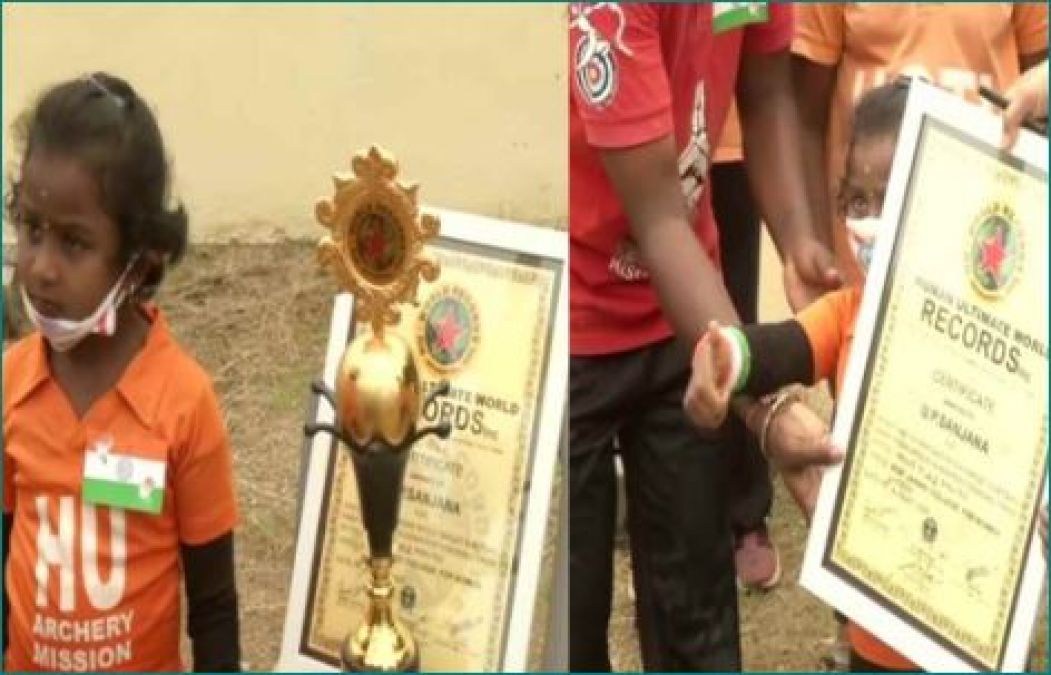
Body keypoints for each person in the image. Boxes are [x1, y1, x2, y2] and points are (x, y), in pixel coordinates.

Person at [686, 79, 1047, 672]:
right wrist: (727, 352)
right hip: (873, 632)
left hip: (975, 629)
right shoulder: (851, 312)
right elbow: (781, 348)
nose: (870, 223)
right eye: (857, 202)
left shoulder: (1011, 334)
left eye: (894, 197)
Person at [569, 3, 841, 670]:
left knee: (697, 618)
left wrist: (797, 236)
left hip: (683, 322)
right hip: (571, 326)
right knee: (568, 616)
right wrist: (763, 401)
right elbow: (659, 218)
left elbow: (766, 88)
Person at [2, 73, 241, 672]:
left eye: (74, 243)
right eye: (32, 230)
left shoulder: (184, 403)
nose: (42, 269)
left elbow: (213, 604)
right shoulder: (10, 386)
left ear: (140, 256)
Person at [792, 2, 1048, 286]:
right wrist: (818, 246)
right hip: (866, 263)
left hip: (980, 248)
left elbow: (1036, 106)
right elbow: (806, 122)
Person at [712, 109, 779, 592]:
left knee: (737, 319)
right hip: (645, 136)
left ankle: (746, 510)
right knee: (653, 328)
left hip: (727, 141)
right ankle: (655, 523)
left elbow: (750, 34)